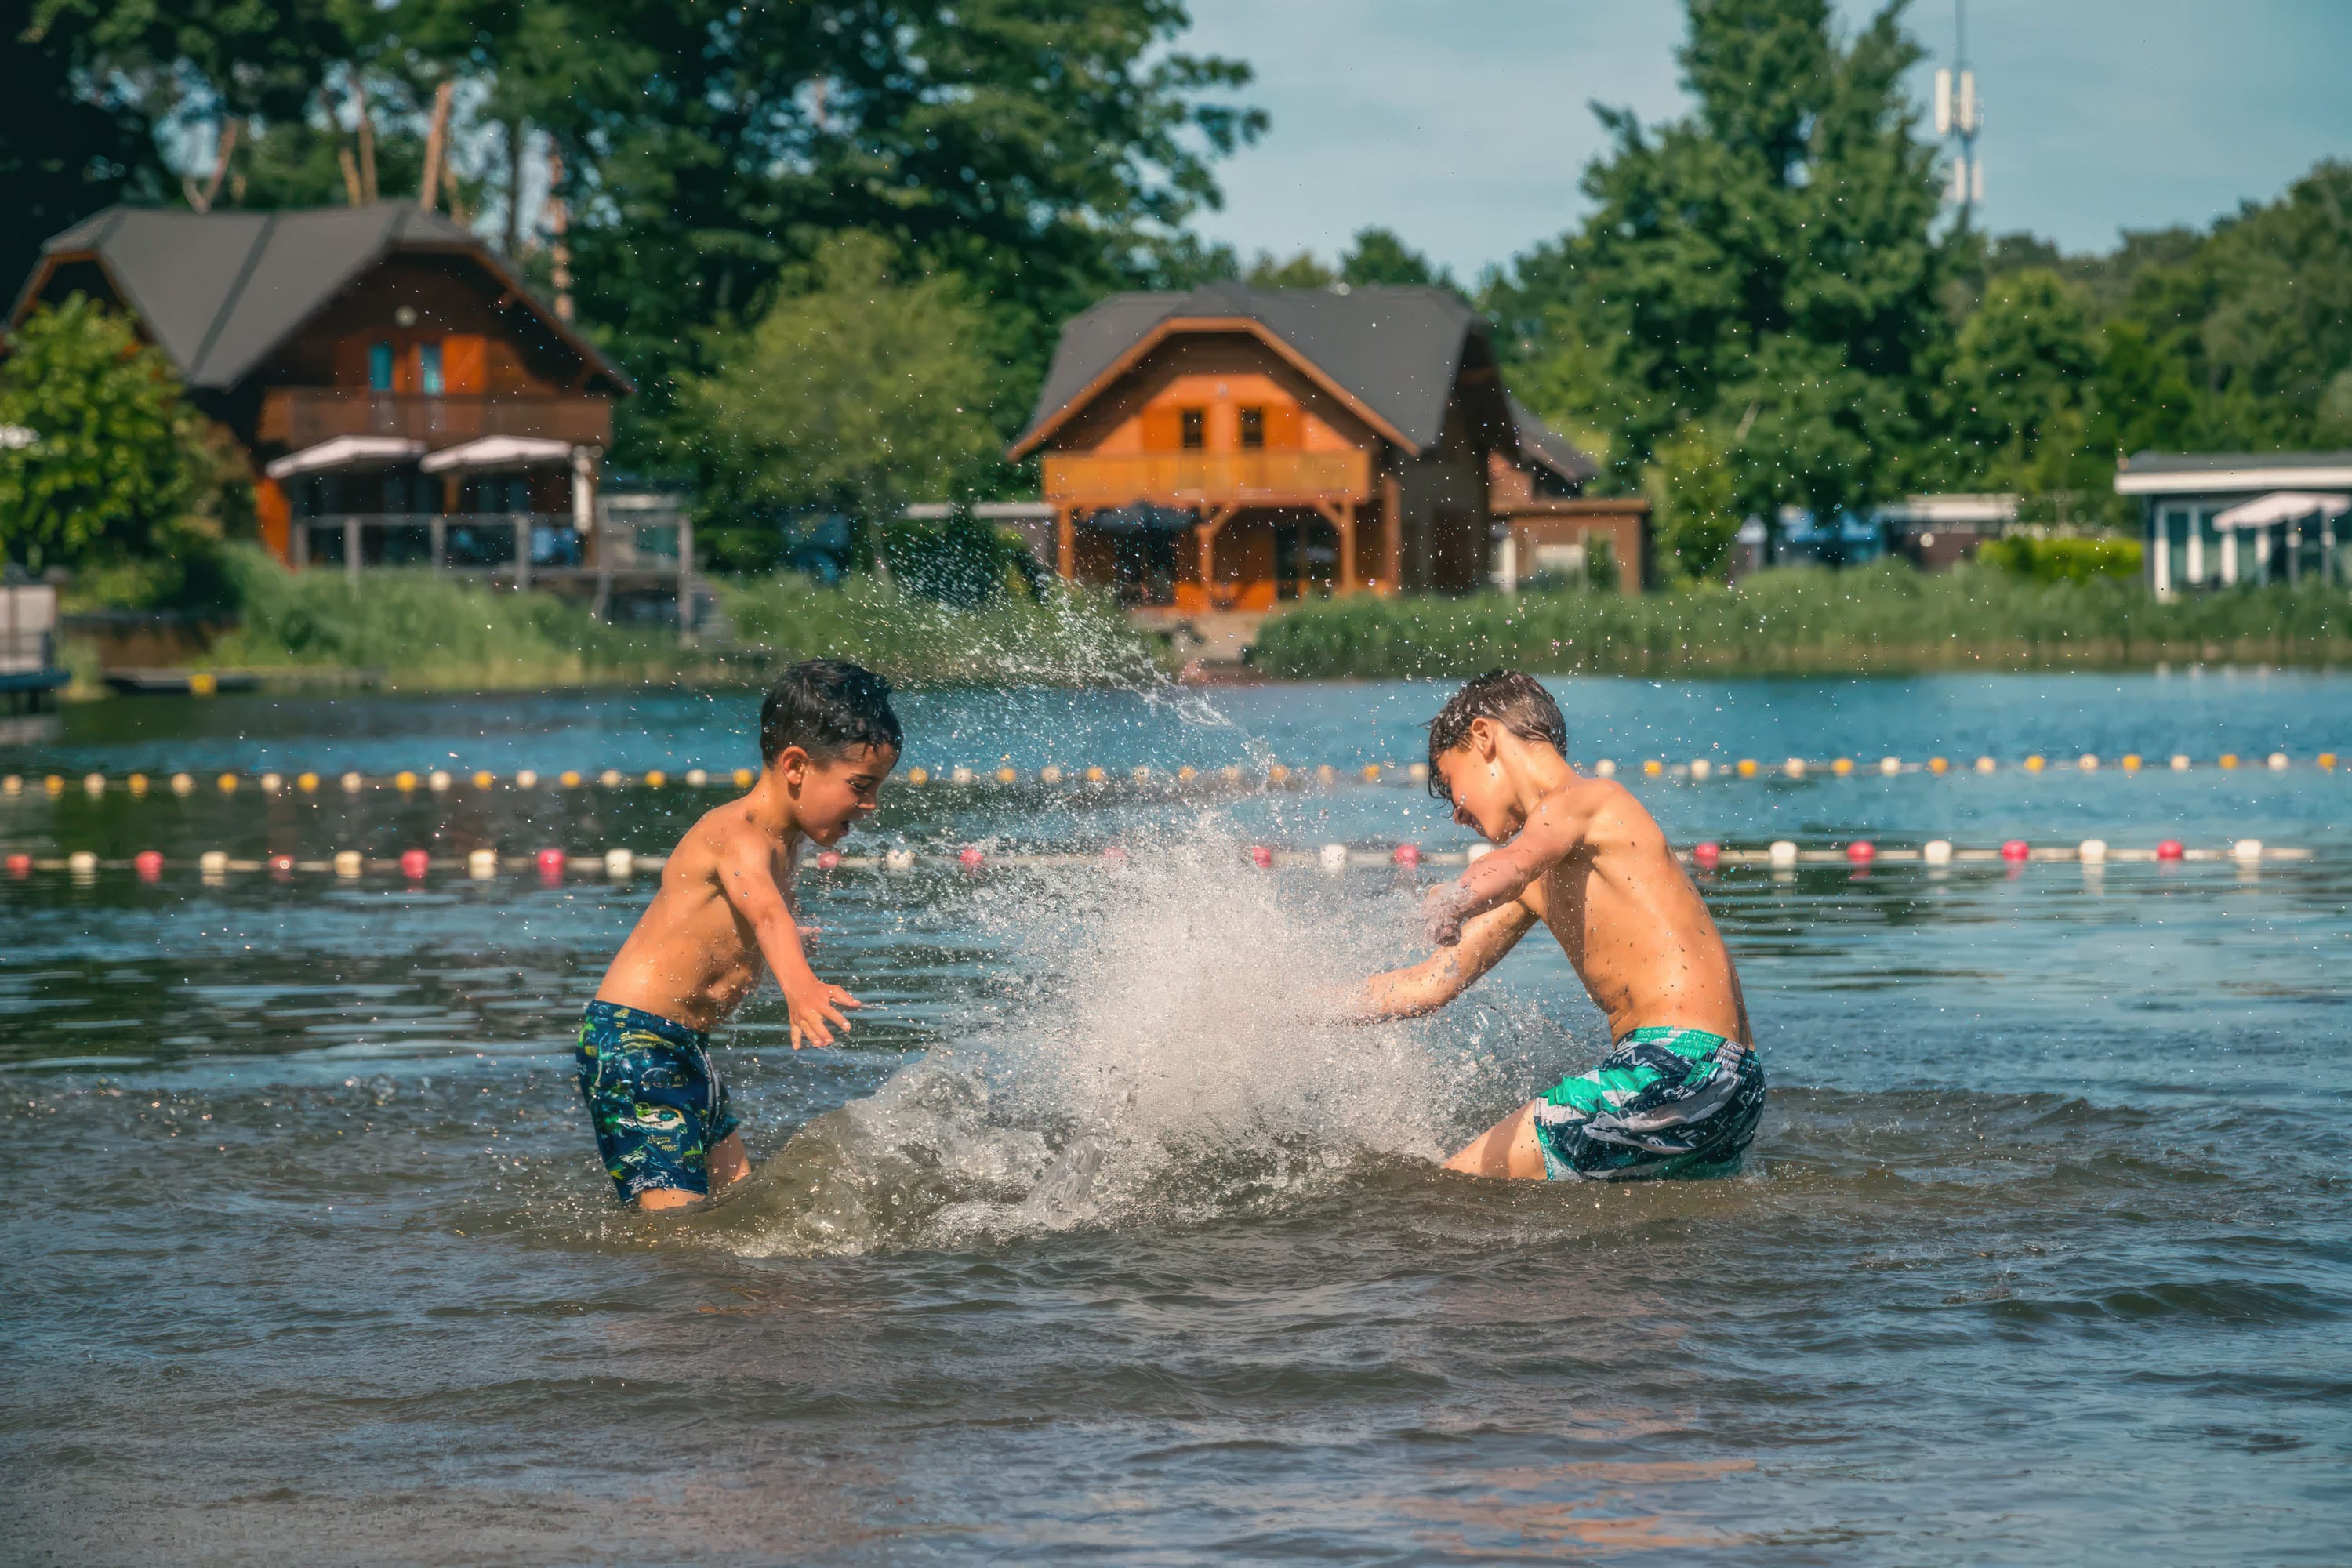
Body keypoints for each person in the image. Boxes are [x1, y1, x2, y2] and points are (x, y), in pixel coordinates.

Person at [1353, 670, 1764, 1181]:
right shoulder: (1542, 870)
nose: (1457, 814)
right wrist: (1277, 1012)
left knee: (1451, 1189)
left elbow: (1515, 861)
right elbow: (1430, 984)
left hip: (1676, 1066)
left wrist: (1454, 900)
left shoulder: (1591, 802)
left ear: (1483, 737)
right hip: (1732, 1087)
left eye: (1450, 782)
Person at [575, 659, 901, 1209]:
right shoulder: (738, 834)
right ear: (796, 765)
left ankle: (739, 1297)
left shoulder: (784, 842)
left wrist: (797, 939)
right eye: (860, 786)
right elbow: (768, 916)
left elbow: (765, 921)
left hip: (683, 1047)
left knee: (737, 1209)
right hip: (633, 1043)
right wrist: (801, 988)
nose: (870, 805)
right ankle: (669, 1296)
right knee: (676, 1230)